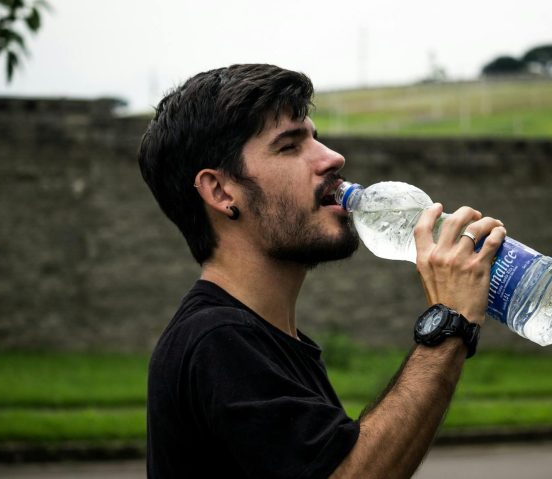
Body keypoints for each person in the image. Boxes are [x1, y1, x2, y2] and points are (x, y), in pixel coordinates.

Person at [138, 63, 506, 478]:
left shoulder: (267, 340)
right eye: (290, 146)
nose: (333, 157)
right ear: (222, 191)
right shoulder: (218, 341)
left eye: (315, 137)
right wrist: (449, 324)